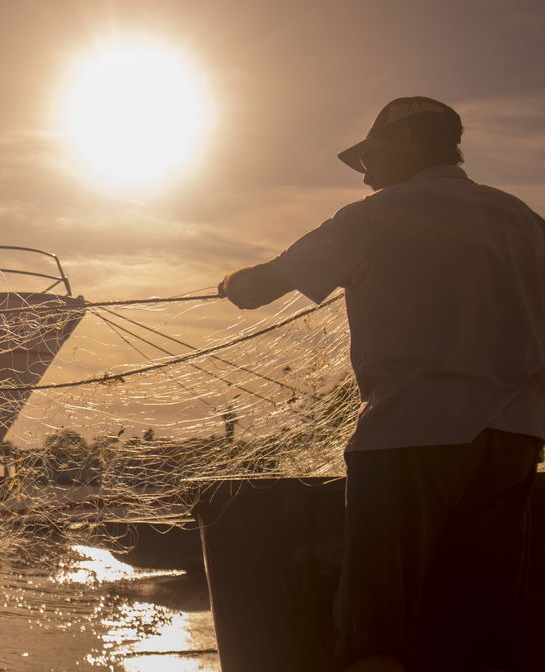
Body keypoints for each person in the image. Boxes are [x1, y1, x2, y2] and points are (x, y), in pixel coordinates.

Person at [219, 96, 545, 672]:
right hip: (513, 440)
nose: (366, 174)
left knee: (378, 624)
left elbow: (259, 287)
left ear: (410, 142)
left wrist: (233, 279)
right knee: (480, 621)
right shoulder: (523, 219)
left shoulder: (376, 215)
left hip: (409, 433)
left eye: (370, 155)